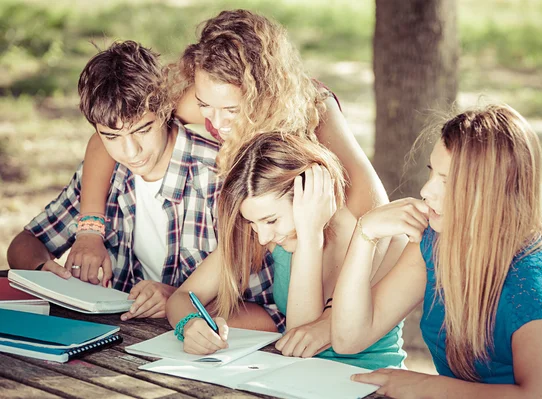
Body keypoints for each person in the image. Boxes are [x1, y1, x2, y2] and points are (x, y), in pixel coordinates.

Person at [65, 9, 389, 291]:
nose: (217, 123)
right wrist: (91, 230)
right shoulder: (208, 99)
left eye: (232, 110)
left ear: (264, 93)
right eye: (205, 105)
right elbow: (106, 136)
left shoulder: (314, 114)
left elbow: (373, 210)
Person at [6, 41, 276, 324]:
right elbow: (24, 244)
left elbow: (268, 313)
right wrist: (44, 270)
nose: (130, 152)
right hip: (121, 343)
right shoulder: (107, 173)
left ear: (164, 112)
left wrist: (180, 300)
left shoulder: (220, 181)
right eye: (111, 136)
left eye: (143, 129)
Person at [331, 104, 542, 398]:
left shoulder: (533, 283)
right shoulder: (438, 241)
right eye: (432, 173)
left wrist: (427, 386)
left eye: (447, 181)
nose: (426, 191)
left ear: (490, 191)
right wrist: (365, 234)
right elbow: (350, 338)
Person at [166, 133, 408, 369]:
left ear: (310, 194)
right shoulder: (273, 237)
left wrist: (310, 236)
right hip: (297, 380)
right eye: (253, 223)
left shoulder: (381, 240)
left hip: (373, 383)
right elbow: (183, 296)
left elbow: (302, 340)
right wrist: (190, 324)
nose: (262, 238)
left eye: (271, 220)